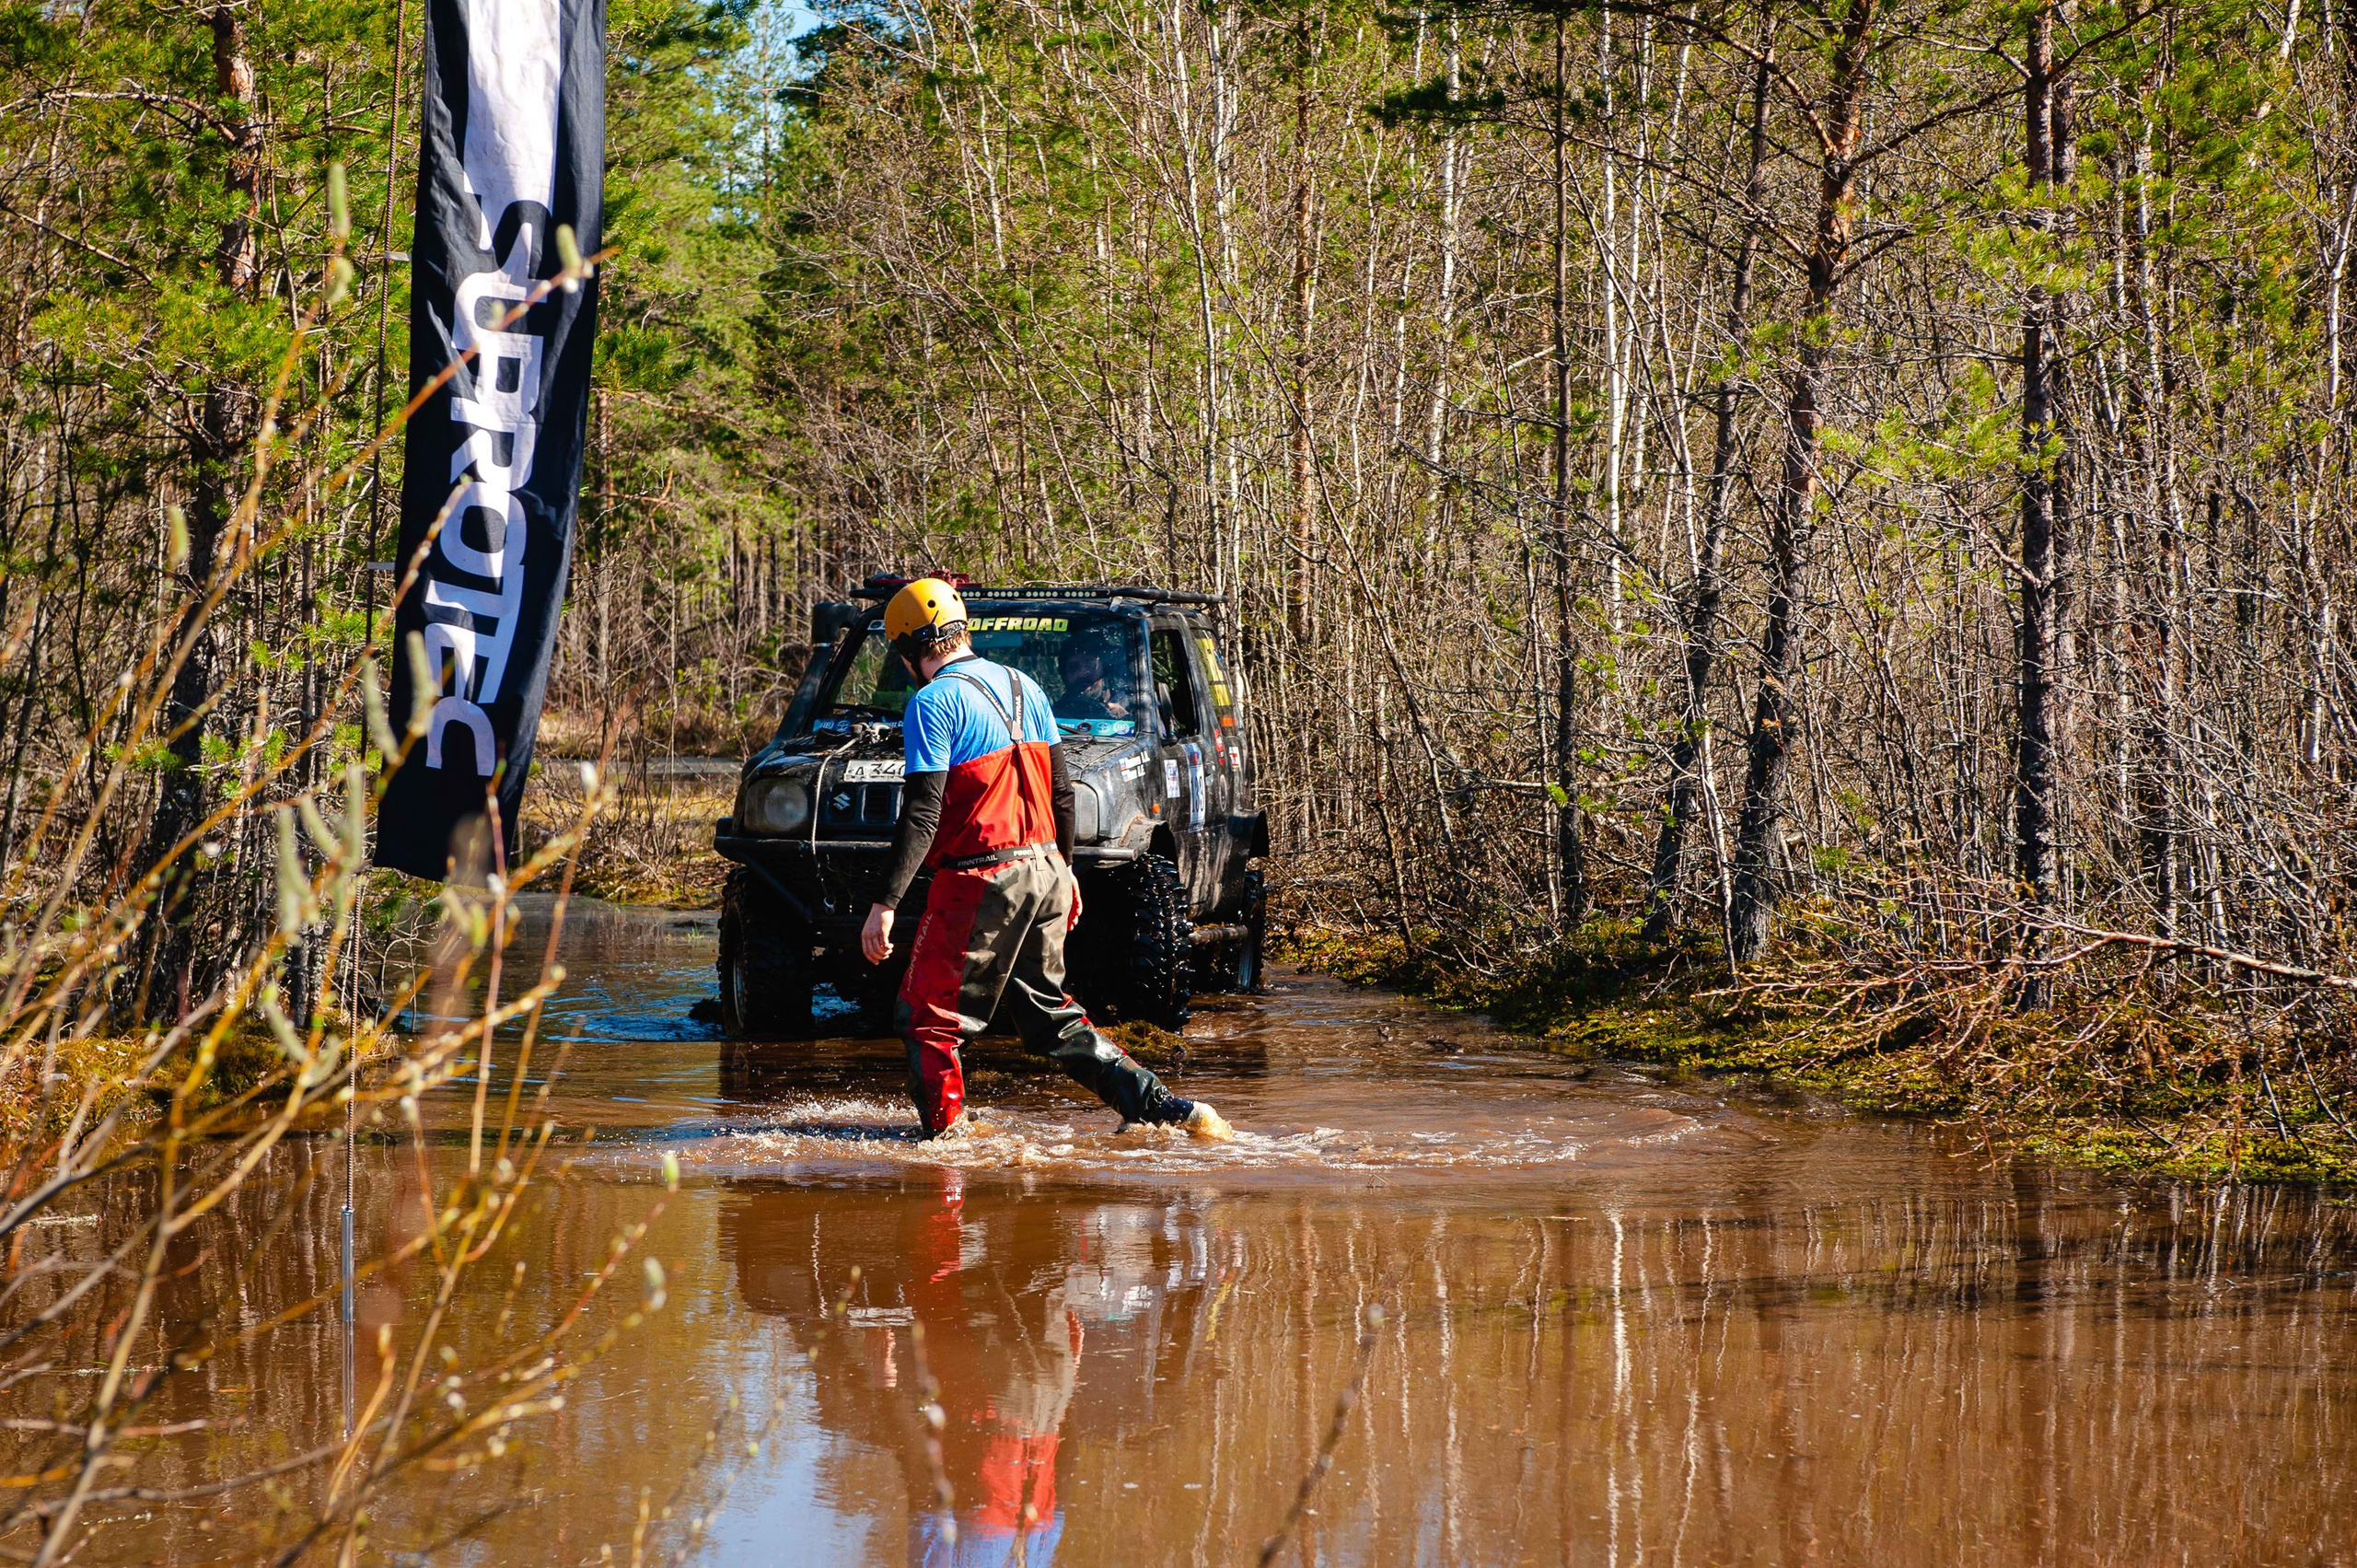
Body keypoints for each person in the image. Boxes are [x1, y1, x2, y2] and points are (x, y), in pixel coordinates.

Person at [860, 578, 1231, 1143]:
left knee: (927, 1020)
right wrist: (1066, 871)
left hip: (982, 877)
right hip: (1047, 871)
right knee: (1049, 1017)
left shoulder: (932, 702)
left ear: (911, 648)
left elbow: (922, 812)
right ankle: (1171, 1110)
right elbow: (1061, 793)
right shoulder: (1026, 687)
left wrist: (884, 903)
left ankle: (947, 1149)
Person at [1052, 633, 1129, 723]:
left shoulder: (1130, 703)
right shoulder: (1053, 714)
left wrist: (1124, 720)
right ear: (1064, 674)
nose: (1082, 673)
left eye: (1090, 665)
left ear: (1105, 670)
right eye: (1073, 667)